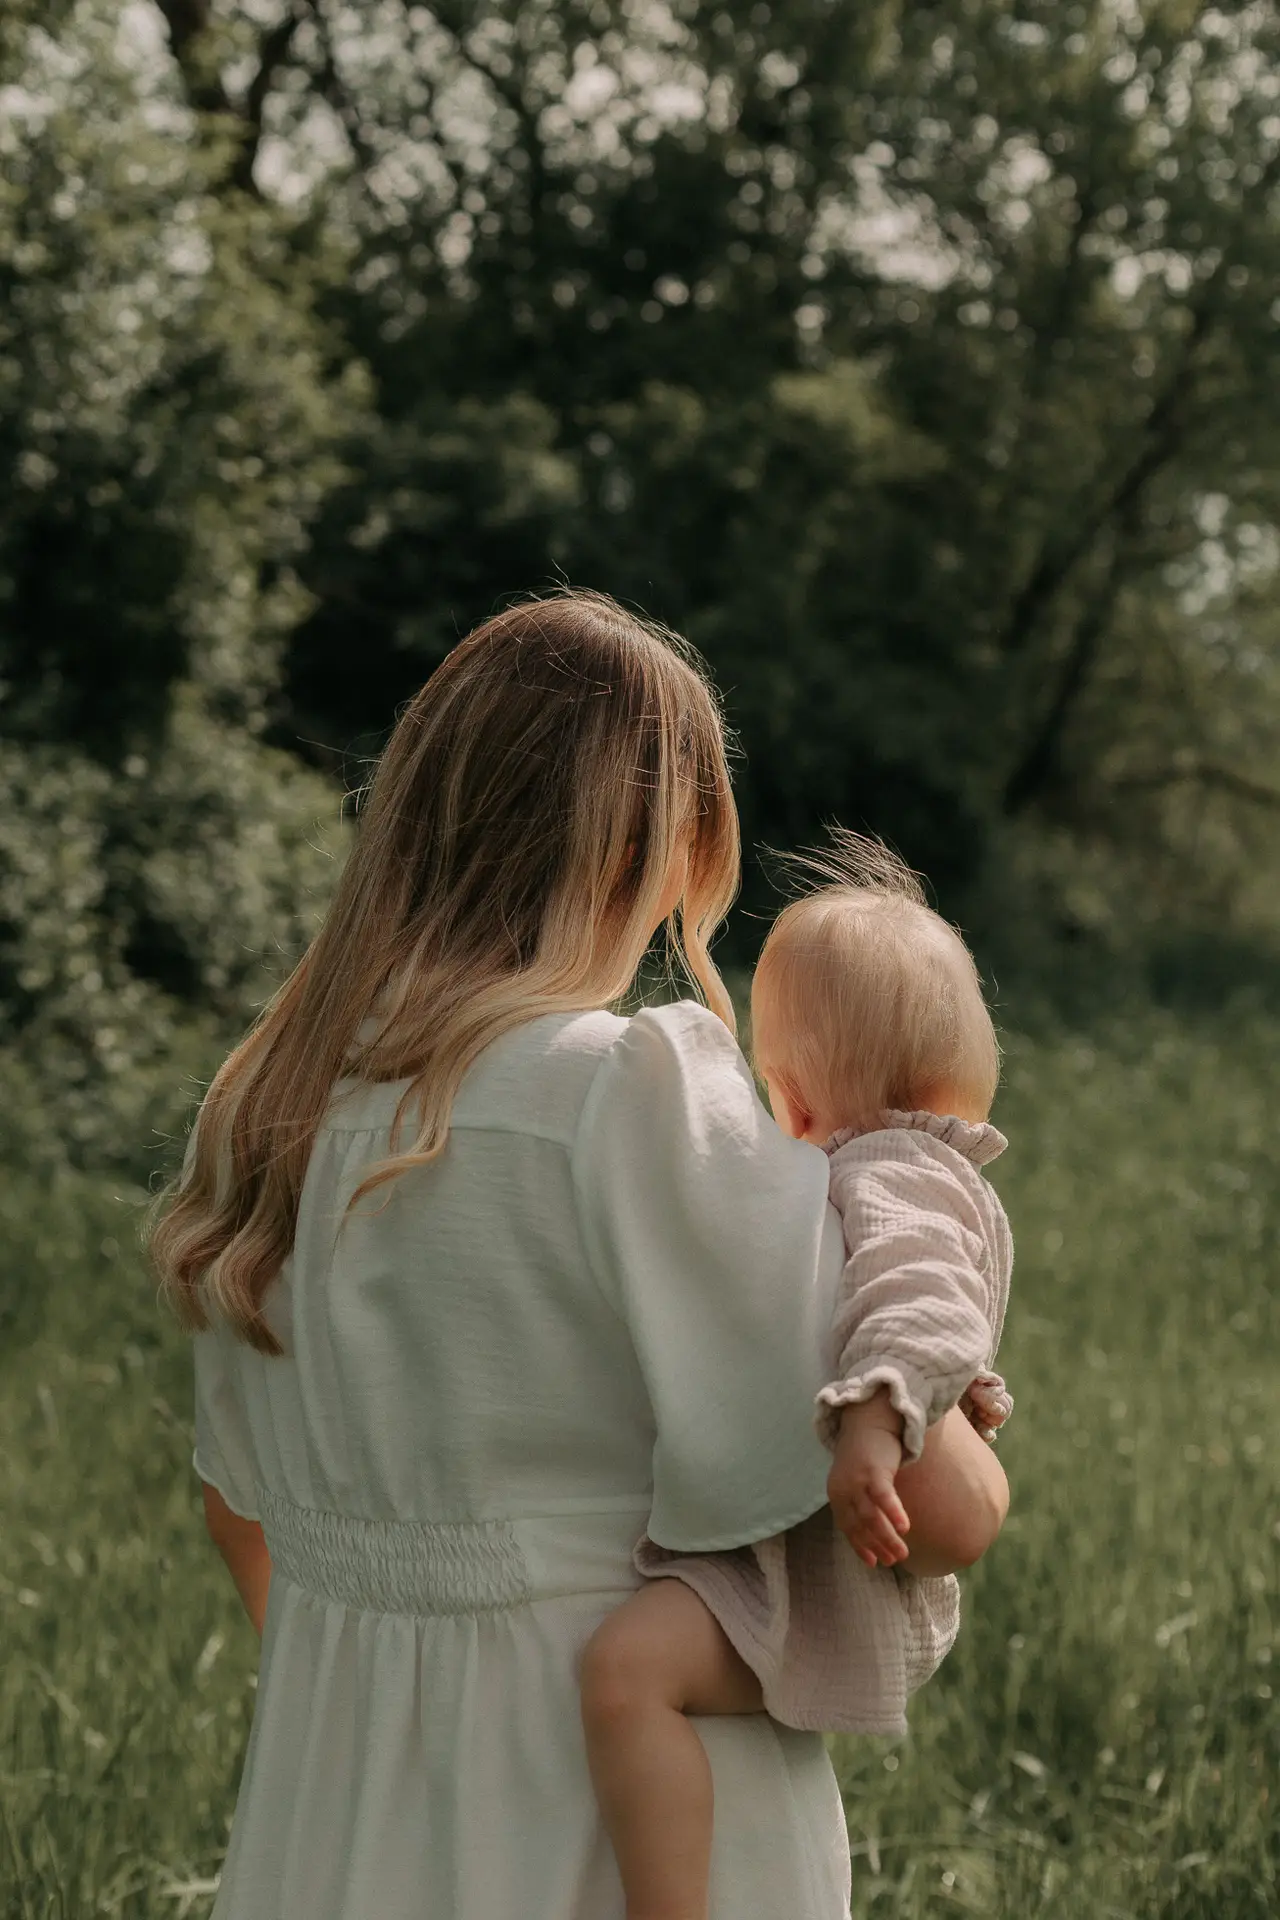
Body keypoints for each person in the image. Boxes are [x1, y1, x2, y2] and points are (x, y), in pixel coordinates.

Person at [148, 589, 1008, 1920]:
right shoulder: (630, 1098)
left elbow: (239, 1513)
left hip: (332, 1805)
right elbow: (943, 1518)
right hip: (613, 1827)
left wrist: (395, 1676)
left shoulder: (262, 1120)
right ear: (639, 861)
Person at [580, 833, 1014, 1920]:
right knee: (629, 1673)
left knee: (624, 1676)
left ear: (799, 1095)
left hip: (823, 1570)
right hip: (824, 1548)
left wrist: (874, 1419)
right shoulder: (910, 1166)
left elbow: (915, 1297)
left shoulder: (892, 1173)